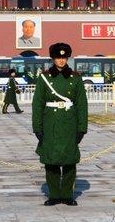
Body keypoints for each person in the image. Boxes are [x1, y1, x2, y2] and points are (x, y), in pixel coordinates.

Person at [32, 43, 88, 206]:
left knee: (70, 161)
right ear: (52, 58)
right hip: (51, 123)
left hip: (69, 123)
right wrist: (38, 127)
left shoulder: (75, 78)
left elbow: (82, 104)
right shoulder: (44, 77)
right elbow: (38, 104)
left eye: (64, 57)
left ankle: (68, 195)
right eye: (58, 57)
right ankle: (55, 195)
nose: (61, 60)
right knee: (51, 161)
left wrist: (82, 128)